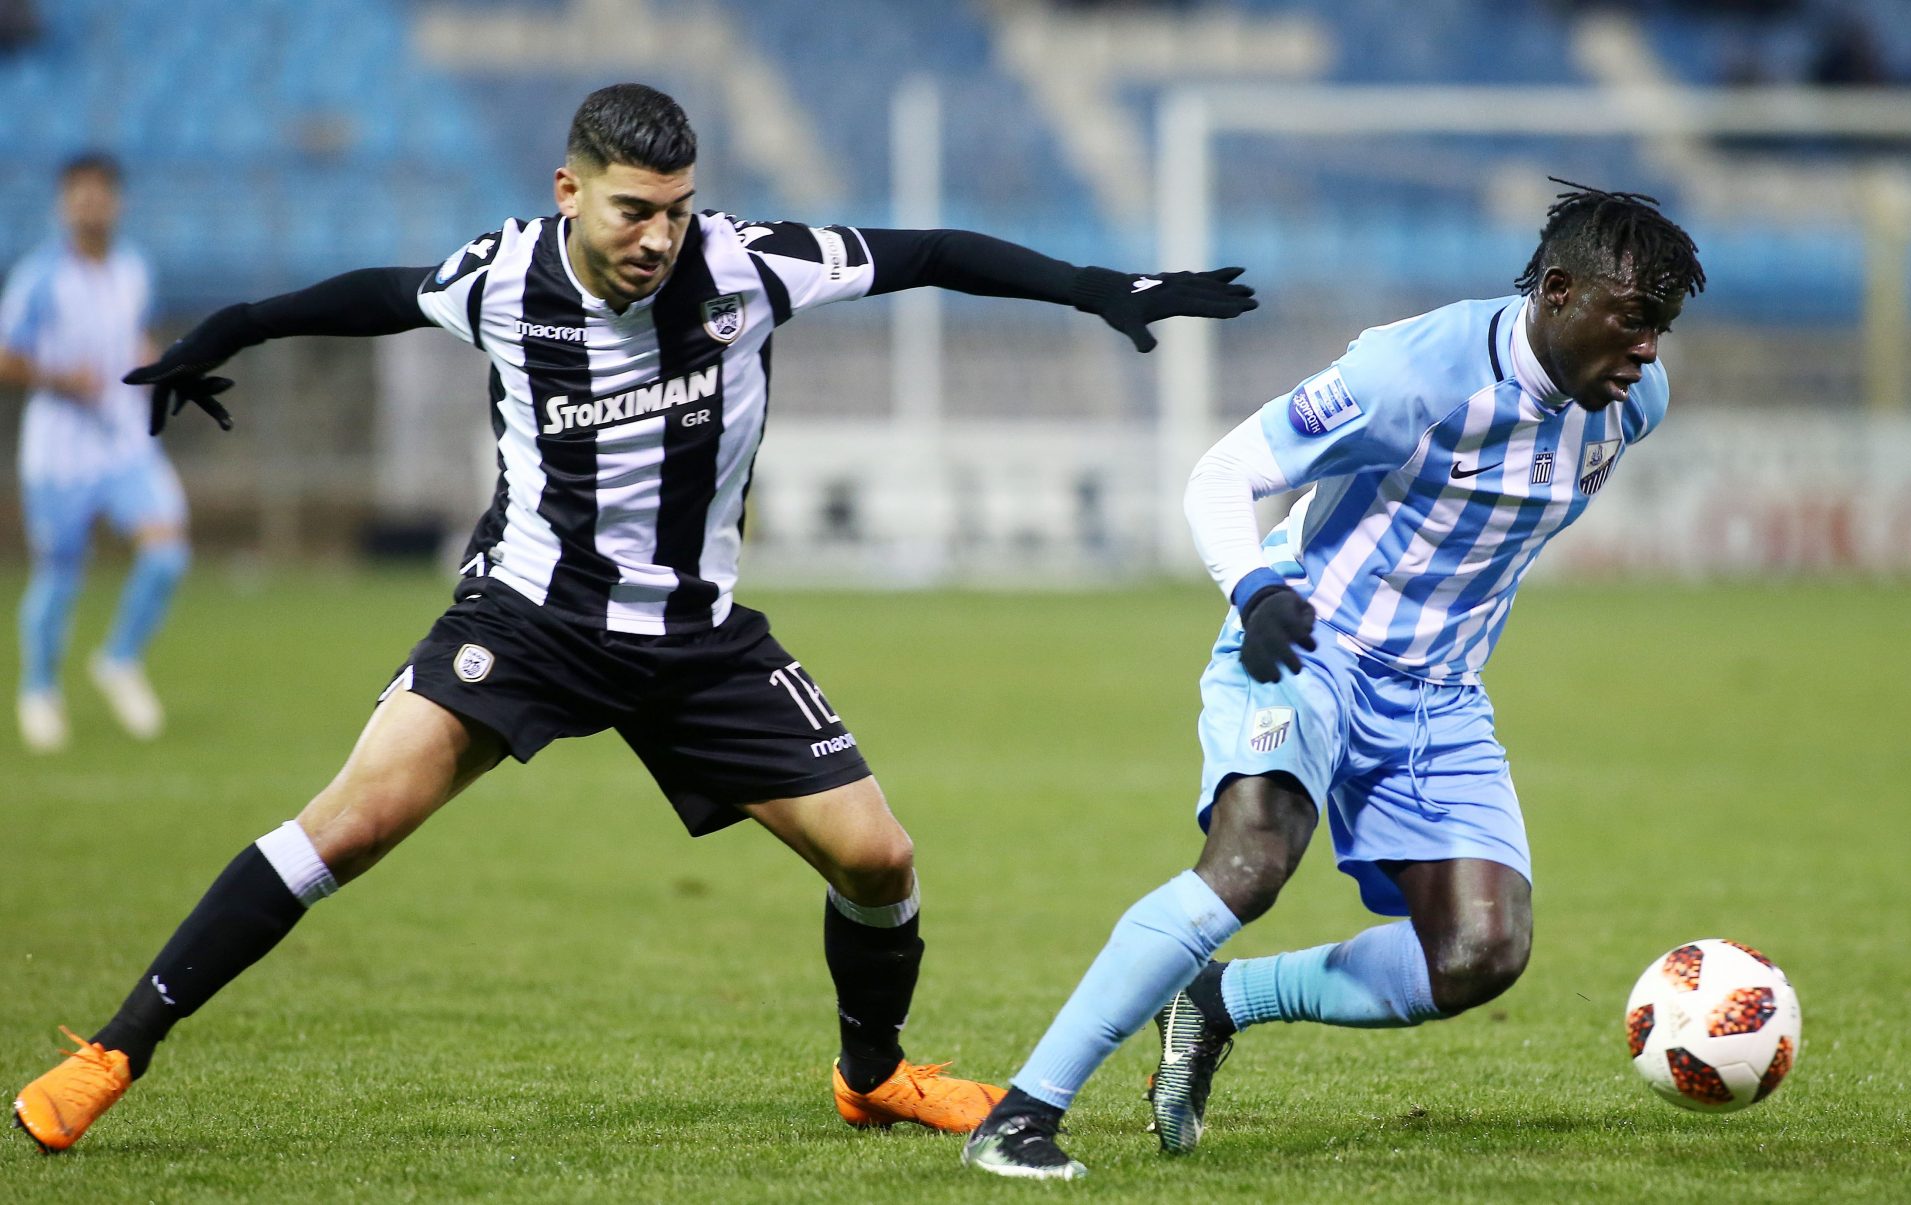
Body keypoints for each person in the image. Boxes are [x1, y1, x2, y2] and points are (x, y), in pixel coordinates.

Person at [9, 83, 1256, 1154]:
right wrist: (231, 327)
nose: (660, 236)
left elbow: (928, 250)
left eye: (677, 209)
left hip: (698, 639)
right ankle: (115, 1049)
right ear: (570, 190)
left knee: (880, 858)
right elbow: (380, 292)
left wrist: (1095, 285)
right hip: (528, 618)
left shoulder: (748, 263)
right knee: (349, 824)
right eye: (633, 210)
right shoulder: (503, 276)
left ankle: (873, 1072)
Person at [963, 181, 1705, 1179]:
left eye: (1662, 326)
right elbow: (1222, 474)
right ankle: (1019, 1115)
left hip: (1440, 694)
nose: (1650, 350)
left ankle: (1221, 999)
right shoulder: (1413, 373)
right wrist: (1259, 589)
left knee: (1479, 950)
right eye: (1633, 320)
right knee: (1249, 863)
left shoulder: (1630, 404)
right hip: (1311, 645)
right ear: (1560, 292)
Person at [1, 152, 188, 753]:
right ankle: (39, 690)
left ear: (116, 202)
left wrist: (152, 362)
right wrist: (59, 377)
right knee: (59, 575)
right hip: (60, 453)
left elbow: (134, 334)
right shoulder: (40, 277)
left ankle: (118, 657)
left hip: (126, 442)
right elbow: (6, 356)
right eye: (79, 196)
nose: (90, 205)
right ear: (64, 205)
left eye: (99, 194)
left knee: (166, 554)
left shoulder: (134, 268)